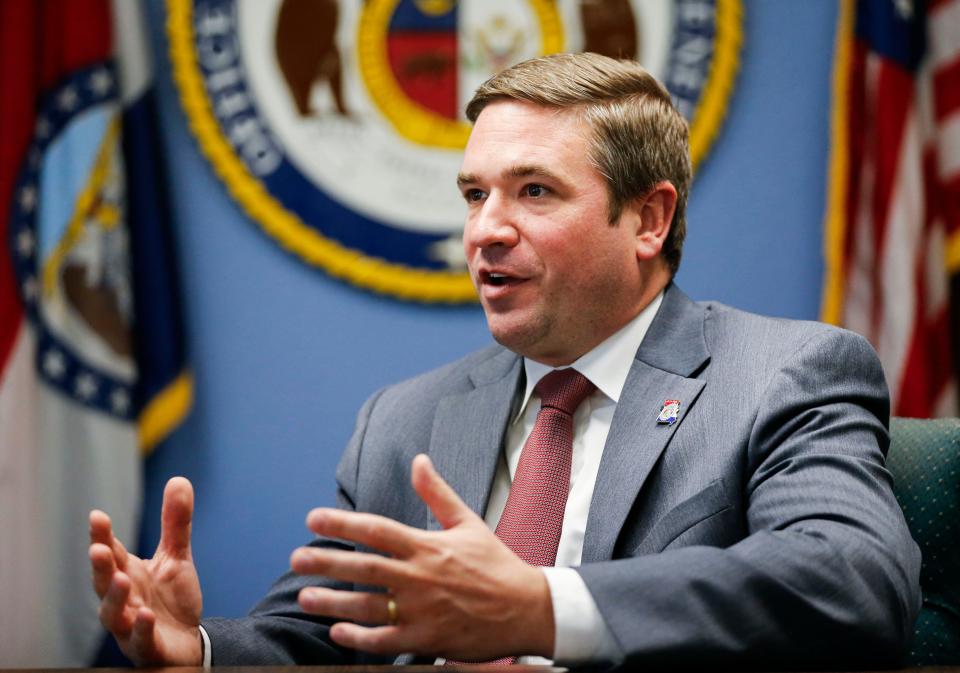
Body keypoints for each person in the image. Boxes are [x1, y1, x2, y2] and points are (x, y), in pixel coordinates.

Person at [89, 53, 921, 670]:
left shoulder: (784, 374)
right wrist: (194, 648)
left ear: (649, 219)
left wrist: (542, 607)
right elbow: (322, 636)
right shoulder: (404, 420)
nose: (485, 229)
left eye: (534, 191)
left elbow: (851, 578)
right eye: (474, 194)